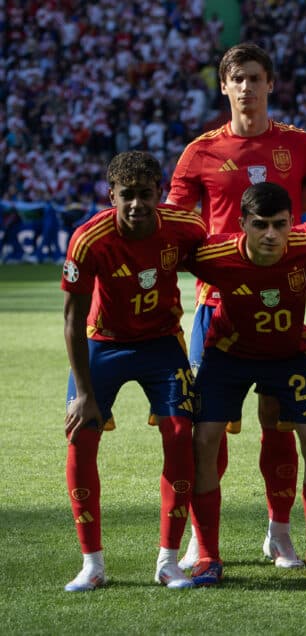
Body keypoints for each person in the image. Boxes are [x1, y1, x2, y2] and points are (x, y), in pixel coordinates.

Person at [168, 42, 306, 570]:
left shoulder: (299, 144)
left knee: (280, 423)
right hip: (215, 304)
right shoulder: (200, 151)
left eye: (255, 78)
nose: (246, 87)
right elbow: (176, 224)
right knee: (211, 427)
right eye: (237, 79)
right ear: (224, 86)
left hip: (279, 299)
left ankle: (280, 532)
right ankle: (204, 540)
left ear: (271, 84)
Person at [61, 151, 206, 591]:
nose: (137, 204)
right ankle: (92, 564)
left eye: (146, 194)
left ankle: (168, 561)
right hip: (103, 344)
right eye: (127, 196)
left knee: (182, 435)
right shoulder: (89, 240)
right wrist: (84, 394)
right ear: (112, 196)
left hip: (162, 344)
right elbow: (71, 319)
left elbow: (215, 267)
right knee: (81, 436)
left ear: (160, 194)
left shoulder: (187, 228)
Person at [185, 182, 306, 586]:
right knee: (203, 442)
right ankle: (208, 556)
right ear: (243, 224)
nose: (271, 234)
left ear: (293, 223)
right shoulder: (214, 254)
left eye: (280, 224)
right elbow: (162, 256)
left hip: (289, 355)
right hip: (228, 356)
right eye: (261, 224)